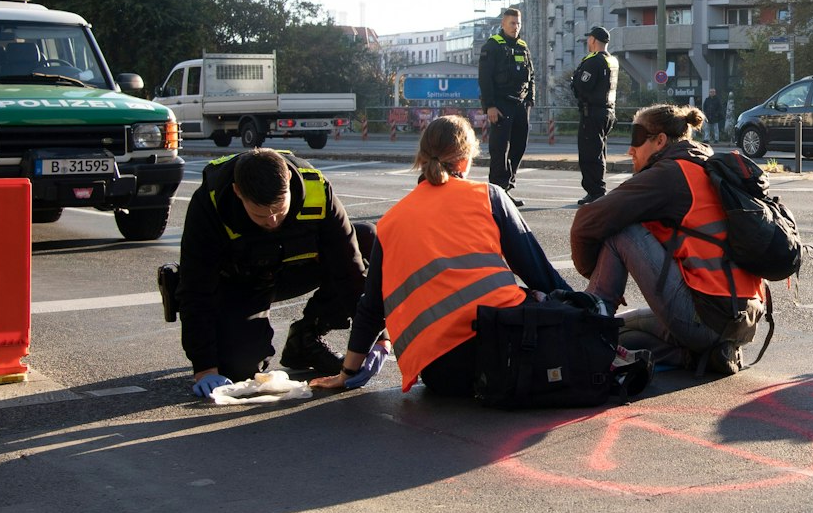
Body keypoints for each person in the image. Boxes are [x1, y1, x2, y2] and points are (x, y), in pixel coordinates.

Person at [309, 116, 575, 397]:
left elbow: (372, 307)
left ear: (422, 157)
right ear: (464, 161)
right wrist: (587, 311)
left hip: (443, 374)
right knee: (534, 296)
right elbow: (538, 272)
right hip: (507, 350)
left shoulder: (390, 223)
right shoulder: (489, 196)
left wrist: (347, 374)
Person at [570, 103, 764, 374]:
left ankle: (586, 332)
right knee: (622, 332)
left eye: (637, 140)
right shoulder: (708, 164)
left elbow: (587, 221)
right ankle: (701, 356)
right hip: (743, 319)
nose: (630, 150)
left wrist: (595, 271)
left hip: (706, 316)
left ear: (660, 140)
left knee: (621, 230)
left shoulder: (669, 174)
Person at [175, 147, 372, 398]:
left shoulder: (317, 189)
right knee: (241, 370)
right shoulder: (209, 203)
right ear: (238, 192)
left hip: (294, 271)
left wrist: (375, 339)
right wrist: (204, 368)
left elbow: (351, 272)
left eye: (280, 209)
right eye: (261, 215)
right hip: (241, 281)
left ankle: (305, 340)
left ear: (288, 180)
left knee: (367, 239)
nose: (273, 221)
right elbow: (195, 290)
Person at [478, 7, 534, 207]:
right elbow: (484, 79)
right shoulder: (492, 46)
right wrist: (490, 106)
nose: (515, 27)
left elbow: (531, 76)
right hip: (500, 104)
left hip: (520, 105)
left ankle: (507, 186)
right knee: (499, 148)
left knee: (519, 145)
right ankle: (496, 192)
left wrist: (530, 100)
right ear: (503, 24)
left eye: (518, 23)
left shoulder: (522, 47)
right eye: (512, 23)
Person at [572, 26, 618, 205]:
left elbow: (583, 85)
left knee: (589, 153)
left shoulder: (593, 61)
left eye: (588, 39)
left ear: (592, 40)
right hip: (608, 111)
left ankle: (595, 191)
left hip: (592, 112)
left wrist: (576, 81)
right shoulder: (611, 60)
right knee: (599, 151)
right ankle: (597, 189)